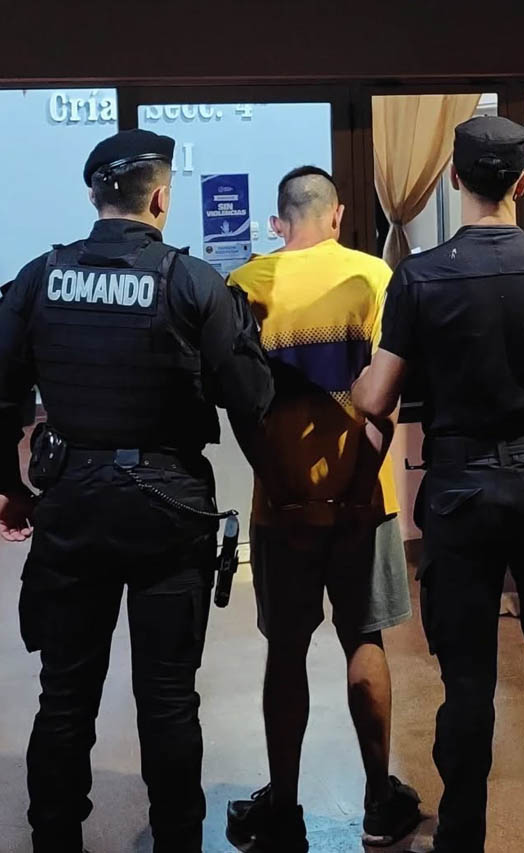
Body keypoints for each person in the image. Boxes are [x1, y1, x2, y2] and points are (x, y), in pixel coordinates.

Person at [0, 129, 274, 853]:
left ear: (94, 195)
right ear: (160, 200)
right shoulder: (192, 282)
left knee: (64, 694)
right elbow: (250, 398)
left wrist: (11, 488)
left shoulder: (38, 277)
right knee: (168, 697)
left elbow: (1, 394)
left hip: (72, 503)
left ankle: (54, 838)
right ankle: (178, 840)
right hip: (168, 507)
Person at [352, 116, 524, 853]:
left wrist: (357, 385)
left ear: (454, 178)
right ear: (523, 183)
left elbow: (378, 399)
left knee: (466, 684)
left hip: (459, 491)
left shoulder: (419, 276)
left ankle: (462, 836)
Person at [225, 166, 421, 852]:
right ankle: (379, 803)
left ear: (280, 221)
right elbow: (385, 400)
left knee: (286, 649)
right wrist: (358, 485)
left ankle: (283, 809)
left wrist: (280, 483)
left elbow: (243, 406)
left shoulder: (246, 285)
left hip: (282, 507)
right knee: (364, 638)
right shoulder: (374, 277)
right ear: (336, 216)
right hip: (364, 504)